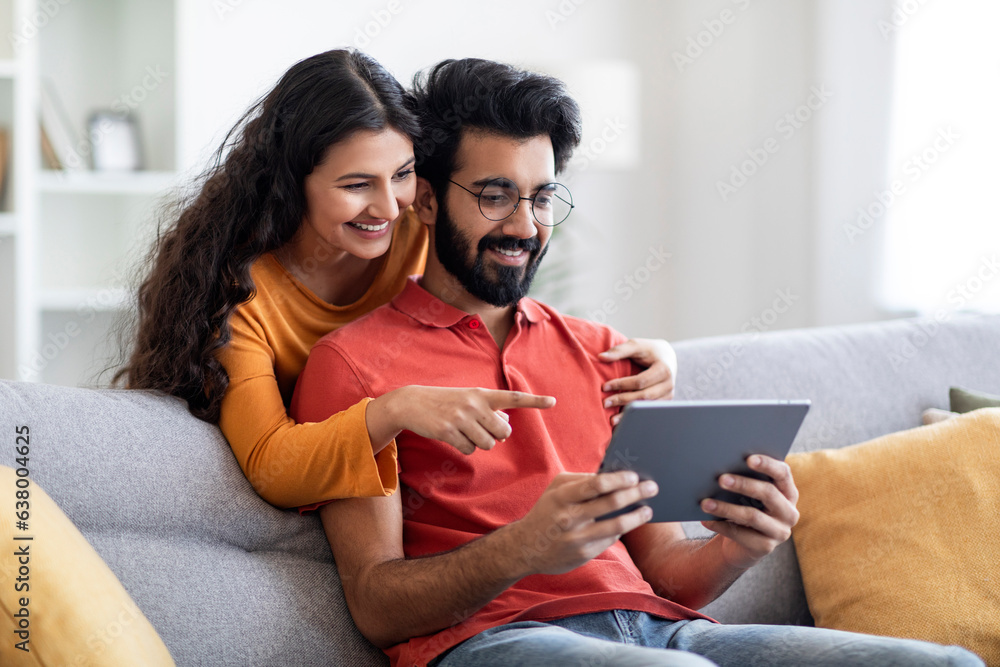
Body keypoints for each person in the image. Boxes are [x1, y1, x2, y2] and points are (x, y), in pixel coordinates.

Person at [290, 58, 985, 667]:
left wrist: (740, 545)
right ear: (430, 201)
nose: (527, 227)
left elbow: (670, 575)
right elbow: (376, 603)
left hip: (661, 634)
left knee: (949, 662)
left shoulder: (607, 355)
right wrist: (523, 546)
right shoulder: (355, 367)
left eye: (540, 197)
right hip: (494, 641)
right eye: (496, 195)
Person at [115, 49, 679, 509]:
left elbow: (493, 312)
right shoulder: (242, 296)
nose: (389, 205)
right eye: (357, 184)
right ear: (292, 183)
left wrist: (652, 358)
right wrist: (395, 408)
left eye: (403, 174)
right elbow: (272, 464)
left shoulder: (412, 222)